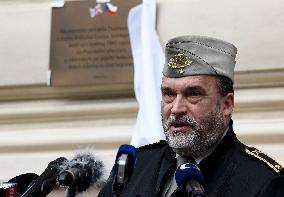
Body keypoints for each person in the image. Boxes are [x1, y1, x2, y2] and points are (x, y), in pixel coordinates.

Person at [98, 35, 284, 197]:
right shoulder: (135, 165)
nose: (176, 108)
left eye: (193, 94)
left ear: (227, 104)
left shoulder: (264, 182)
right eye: (169, 94)